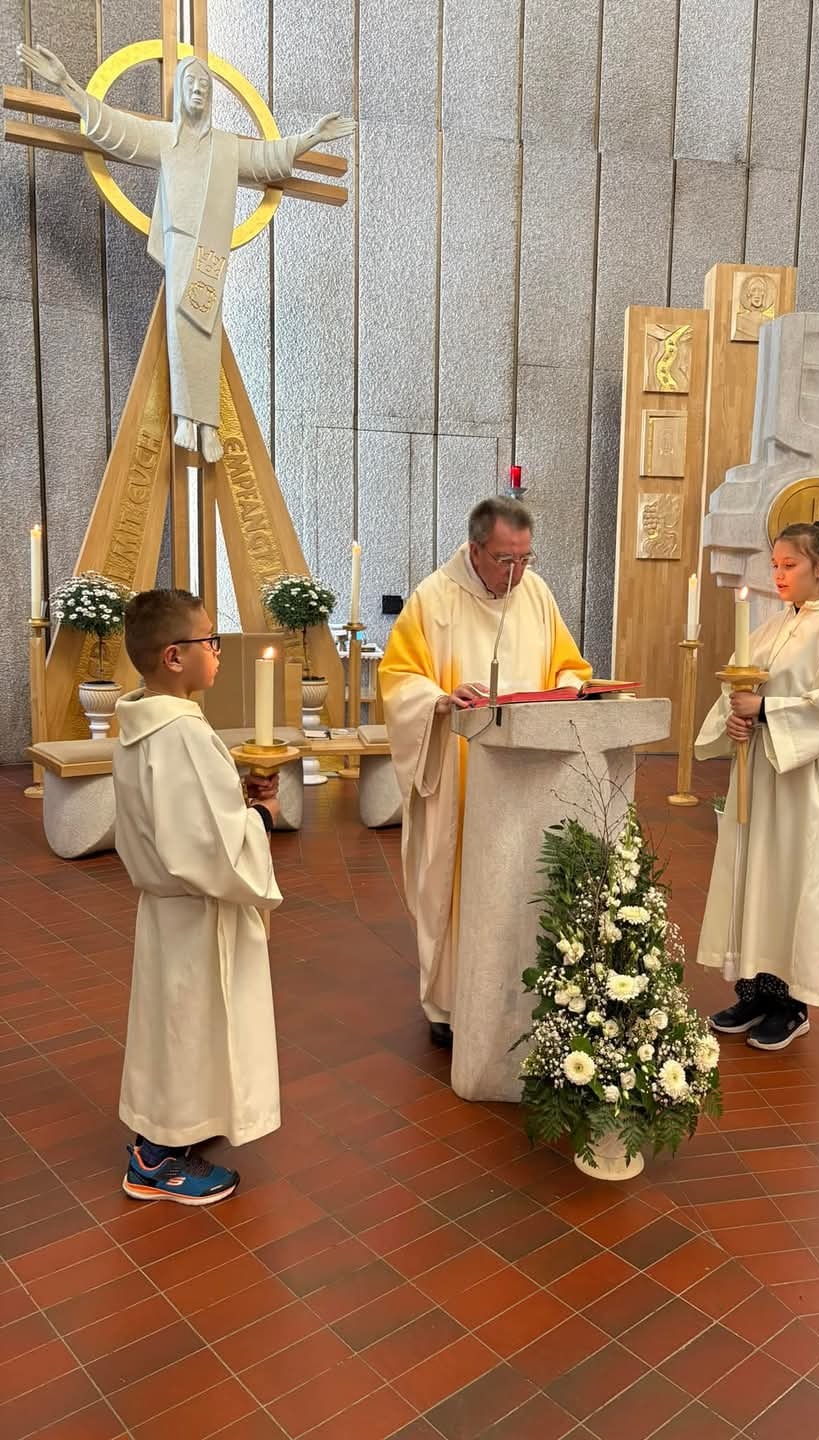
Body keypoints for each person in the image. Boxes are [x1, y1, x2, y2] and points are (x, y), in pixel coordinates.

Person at [17, 43, 351, 462]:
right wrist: (66, 82)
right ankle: (185, 419)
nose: (199, 90)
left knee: (205, 330)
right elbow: (113, 129)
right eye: (191, 83)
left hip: (210, 250)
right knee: (182, 325)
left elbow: (267, 158)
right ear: (179, 93)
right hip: (178, 241)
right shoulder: (164, 139)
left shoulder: (226, 147)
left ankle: (206, 424)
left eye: (205, 86)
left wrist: (313, 136)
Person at [380, 498, 591, 1049]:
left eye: (525, 558)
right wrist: (439, 699)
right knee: (452, 885)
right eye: (504, 560)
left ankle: (518, 997)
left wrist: (568, 687)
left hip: (524, 779)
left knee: (521, 881)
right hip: (459, 776)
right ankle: (449, 1003)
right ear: (475, 549)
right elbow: (400, 678)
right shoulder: (434, 600)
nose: (516, 573)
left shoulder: (536, 594)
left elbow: (570, 665)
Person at [112, 589, 283, 1203]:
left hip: (169, 909)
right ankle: (156, 1161)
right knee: (187, 1024)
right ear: (174, 656)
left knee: (176, 1025)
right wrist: (261, 818)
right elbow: (210, 849)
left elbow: (182, 820)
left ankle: (175, 1128)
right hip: (195, 908)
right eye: (209, 640)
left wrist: (234, 795)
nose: (217, 650)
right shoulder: (181, 732)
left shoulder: (143, 722)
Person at [695, 519, 819, 1050]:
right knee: (753, 875)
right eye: (774, 565)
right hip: (758, 772)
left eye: (789, 565)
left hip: (801, 780)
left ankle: (790, 1004)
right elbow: (739, 683)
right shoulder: (775, 625)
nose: (778, 575)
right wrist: (735, 719)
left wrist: (765, 710)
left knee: (791, 881)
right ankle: (753, 991)